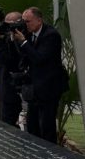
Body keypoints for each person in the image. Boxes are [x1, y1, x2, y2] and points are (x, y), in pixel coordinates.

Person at [12, 7, 69, 144]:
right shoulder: (29, 34)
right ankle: (35, 156)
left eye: (28, 21)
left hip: (49, 88)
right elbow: (24, 57)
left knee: (47, 126)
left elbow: (39, 58)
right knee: (32, 125)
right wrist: (16, 40)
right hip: (34, 89)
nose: (25, 24)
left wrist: (24, 42)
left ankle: (49, 158)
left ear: (39, 20)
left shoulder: (50, 35)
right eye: (23, 21)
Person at [0, 11, 23, 127]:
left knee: (9, 120)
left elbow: (6, 59)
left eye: (9, 25)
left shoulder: (20, 39)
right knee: (4, 117)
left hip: (14, 84)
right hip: (4, 82)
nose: (6, 27)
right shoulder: (8, 36)